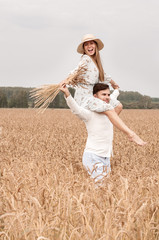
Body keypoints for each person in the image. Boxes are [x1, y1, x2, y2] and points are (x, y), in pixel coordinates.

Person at [60, 34, 142, 145]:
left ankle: (103, 128)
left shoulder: (95, 62)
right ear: (84, 48)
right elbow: (76, 71)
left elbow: (103, 75)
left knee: (118, 106)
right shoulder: (86, 59)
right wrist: (65, 81)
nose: (89, 46)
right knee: (108, 108)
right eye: (86, 44)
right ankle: (131, 134)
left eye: (91, 43)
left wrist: (114, 84)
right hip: (85, 98)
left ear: (96, 46)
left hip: (93, 94)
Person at [60, 83, 146, 183]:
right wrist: (67, 93)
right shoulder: (89, 115)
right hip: (93, 156)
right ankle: (131, 135)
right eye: (103, 95)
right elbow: (76, 109)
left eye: (108, 95)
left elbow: (113, 99)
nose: (107, 97)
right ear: (95, 97)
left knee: (104, 191)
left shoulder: (110, 115)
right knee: (101, 187)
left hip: (106, 157)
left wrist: (116, 90)